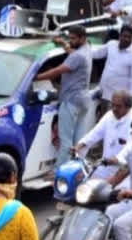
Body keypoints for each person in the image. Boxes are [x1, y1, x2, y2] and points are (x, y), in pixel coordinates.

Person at [34, 25, 92, 166]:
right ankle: (77, 167)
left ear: (82, 38)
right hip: (83, 101)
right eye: (69, 38)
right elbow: (72, 53)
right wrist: (64, 44)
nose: (70, 41)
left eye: (73, 38)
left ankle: (60, 172)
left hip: (71, 100)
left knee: (65, 139)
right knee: (78, 140)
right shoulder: (86, 50)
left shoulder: (78, 55)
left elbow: (58, 71)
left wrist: (35, 77)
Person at [75, 89, 132, 184]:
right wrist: (80, 145)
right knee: (86, 187)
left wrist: (118, 158)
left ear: (128, 107)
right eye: (113, 105)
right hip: (104, 166)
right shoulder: (109, 116)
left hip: (124, 171)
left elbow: (131, 145)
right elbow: (94, 134)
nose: (114, 109)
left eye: (118, 106)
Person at [92, 25, 132, 109]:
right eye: (124, 36)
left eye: (129, 37)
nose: (126, 39)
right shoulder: (111, 45)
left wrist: (131, 98)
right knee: (104, 119)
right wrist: (83, 50)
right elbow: (97, 53)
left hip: (118, 99)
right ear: (120, 35)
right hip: (104, 94)